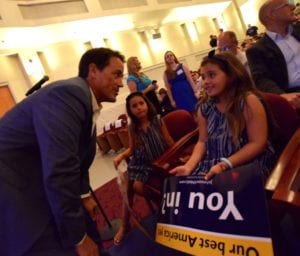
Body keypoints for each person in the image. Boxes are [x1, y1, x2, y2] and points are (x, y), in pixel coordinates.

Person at [0, 47, 125, 256]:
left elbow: (78, 159)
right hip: (19, 195)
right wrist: (79, 237)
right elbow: (60, 169)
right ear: (93, 70)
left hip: (41, 184)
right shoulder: (68, 95)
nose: (121, 82)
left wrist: (84, 194)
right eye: (116, 74)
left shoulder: (84, 100)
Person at [169, 52, 275, 182]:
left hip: (246, 163)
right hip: (214, 163)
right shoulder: (205, 108)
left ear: (231, 75)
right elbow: (202, 141)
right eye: (203, 76)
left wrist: (224, 165)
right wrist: (189, 166)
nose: (205, 82)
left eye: (212, 75)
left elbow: (258, 143)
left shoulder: (247, 101)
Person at [112, 92, 174, 245]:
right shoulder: (133, 128)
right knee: (128, 188)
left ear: (147, 104)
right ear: (130, 110)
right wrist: (120, 156)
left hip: (158, 161)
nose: (139, 108)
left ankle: (162, 204)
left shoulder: (158, 120)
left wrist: (177, 157)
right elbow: (132, 149)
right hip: (142, 161)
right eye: (134, 106)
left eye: (141, 103)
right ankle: (125, 225)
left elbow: (169, 142)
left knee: (138, 187)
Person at [246, 0, 300, 110]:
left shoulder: (298, 31)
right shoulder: (257, 50)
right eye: (286, 5)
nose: (293, 7)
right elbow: (261, 79)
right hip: (294, 96)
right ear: (272, 14)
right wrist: (282, 95)